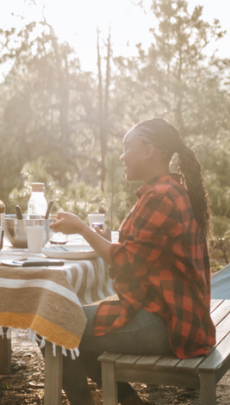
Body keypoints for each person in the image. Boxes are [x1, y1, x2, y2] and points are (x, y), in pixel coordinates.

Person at [50, 118, 215, 405]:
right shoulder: (169, 191)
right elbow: (142, 254)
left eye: (127, 148)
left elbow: (127, 263)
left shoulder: (160, 196)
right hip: (177, 318)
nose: (122, 156)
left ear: (149, 151)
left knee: (51, 324)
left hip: (166, 325)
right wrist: (105, 238)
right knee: (73, 330)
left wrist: (82, 229)